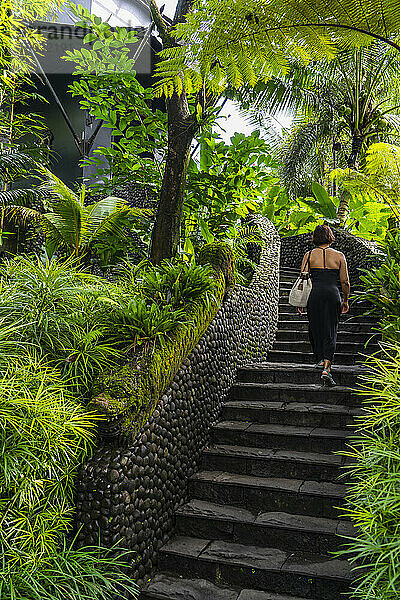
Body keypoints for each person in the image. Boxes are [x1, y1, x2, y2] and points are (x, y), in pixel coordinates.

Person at [300, 224, 350, 386]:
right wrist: (345, 300)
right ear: (330, 236)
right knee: (331, 329)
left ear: (315, 237)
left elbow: (303, 278)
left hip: (315, 294)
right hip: (332, 293)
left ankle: (320, 359)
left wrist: (301, 301)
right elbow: (345, 282)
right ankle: (327, 367)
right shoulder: (339, 256)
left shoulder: (308, 255)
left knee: (315, 327)